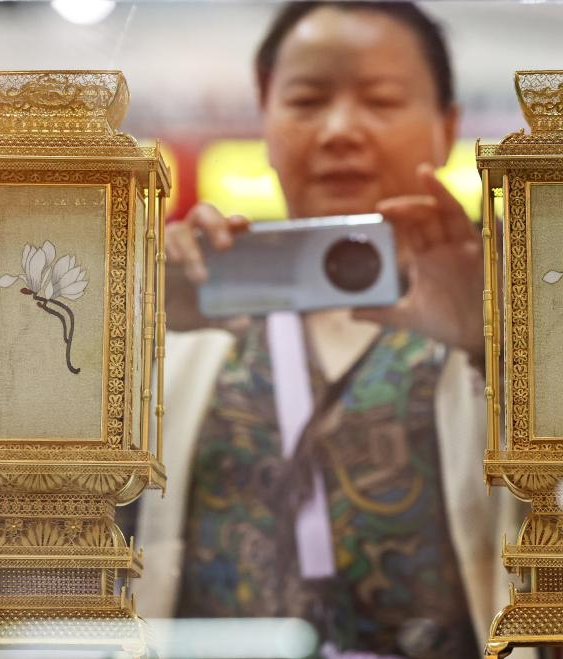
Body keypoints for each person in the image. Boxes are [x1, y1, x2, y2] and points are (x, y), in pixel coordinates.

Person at [135, 3, 523, 657]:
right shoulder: (192, 318)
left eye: (382, 100)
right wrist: (134, 320)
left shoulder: (504, 323)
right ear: (265, 119)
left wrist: (501, 348)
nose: (340, 130)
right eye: (307, 100)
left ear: (447, 127)